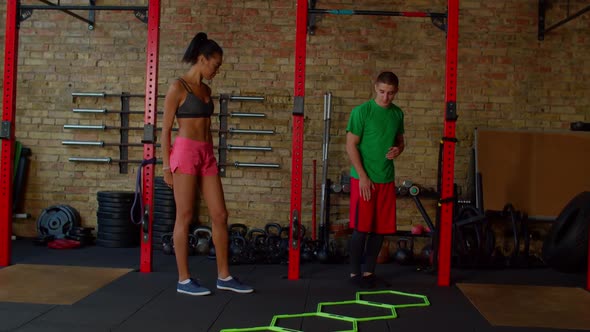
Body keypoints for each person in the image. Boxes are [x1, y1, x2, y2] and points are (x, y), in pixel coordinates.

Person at [161, 32, 253, 296]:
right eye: (215, 65)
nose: (217, 70)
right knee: (185, 215)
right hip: (185, 154)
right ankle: (184, 279)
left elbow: (208, 128)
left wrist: (211, 154)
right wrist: (166, 166)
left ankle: (224, 276)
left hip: (206, 154)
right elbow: (165, 130)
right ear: (202, 59)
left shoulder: (206, 90)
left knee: (220, 215)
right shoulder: (177, 88)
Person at [345, 71, 405, 288]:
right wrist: (362, 177)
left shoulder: (397, 114)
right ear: (375, 88)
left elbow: (400, 141)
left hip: (386, 178)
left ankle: (369, 273)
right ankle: (354, 274)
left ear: (396, 92)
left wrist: (398, 149)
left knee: (380, 229)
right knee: (361, 229)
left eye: (390, 93)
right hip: (364, 178)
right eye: (382, 92)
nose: (385, 97)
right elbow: (350, 145)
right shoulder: (362, 111)